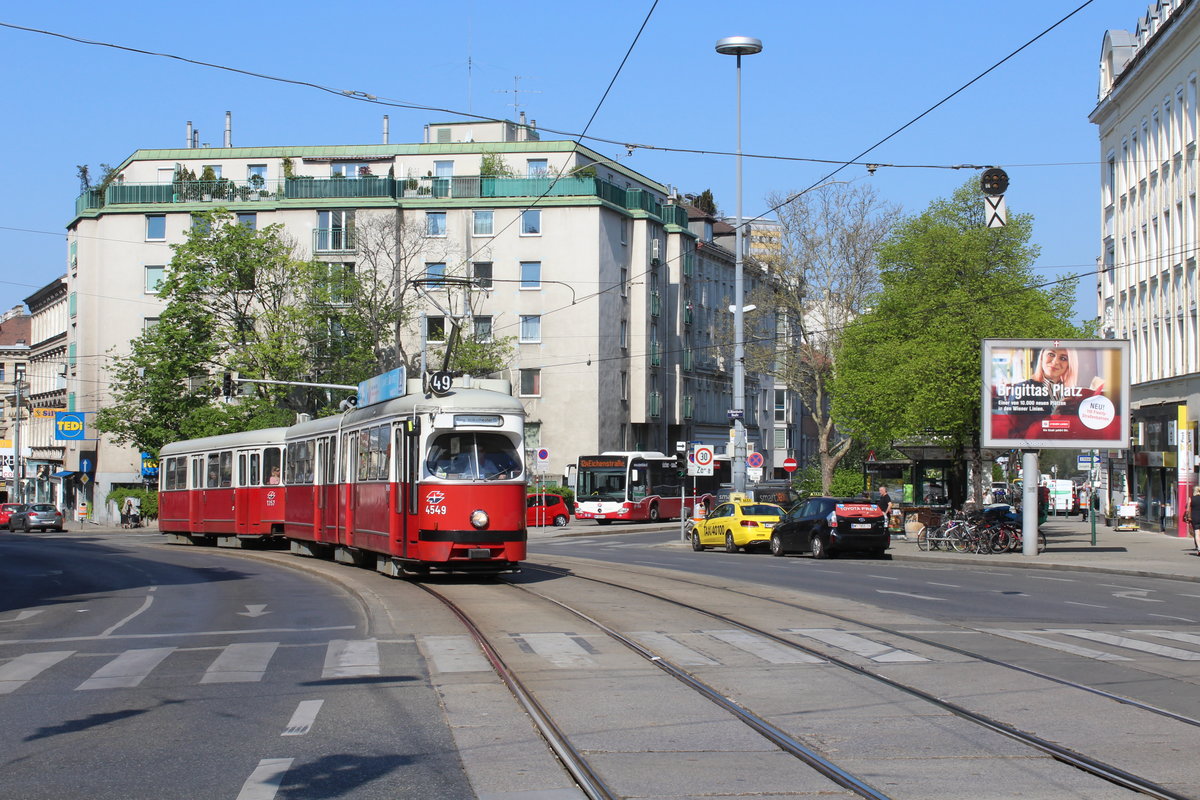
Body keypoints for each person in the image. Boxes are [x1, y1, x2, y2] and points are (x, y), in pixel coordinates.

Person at [992, 347, 1108, 440]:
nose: (1055, 362)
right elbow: (1014, 436)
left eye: (1063, 358)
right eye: (1051, 354)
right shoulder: (1022, 389)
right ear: (1041, 357)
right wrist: (1053, 419)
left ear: (1069, 365)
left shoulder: (1073, 394)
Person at [1188, 486, 1200, 556]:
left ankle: (1199, 549)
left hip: (1195, 517)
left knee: (1197, 533)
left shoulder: (1191, 499)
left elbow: (1188, 509)